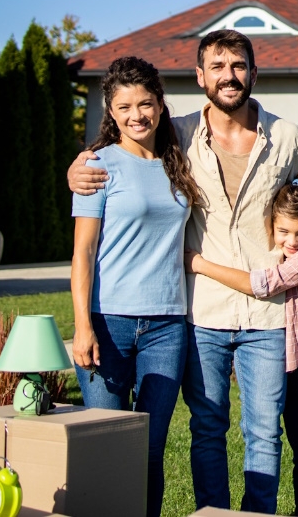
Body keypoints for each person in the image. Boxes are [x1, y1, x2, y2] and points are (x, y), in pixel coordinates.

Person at [67, 29, 298, 514]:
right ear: (199, 77)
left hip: (267, 316)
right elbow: (124, 148)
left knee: (263, 432)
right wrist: (77, 168)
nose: (228, 76)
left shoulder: (287, 137)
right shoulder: (177, 134)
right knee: (207, 430)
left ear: (253, 73)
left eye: (237, 66)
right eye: (216, 67)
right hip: (202, 314)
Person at [69, 56, 199, 517]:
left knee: (150, 449)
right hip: (108, 324)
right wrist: (83, 327)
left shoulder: (176, 160)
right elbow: (82, 253)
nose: (136, 115)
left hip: (167, 325)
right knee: (105, 446)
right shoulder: (97, 166)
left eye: (145, 104)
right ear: (111, 110)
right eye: (124, 106)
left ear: (161, 107)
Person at [187, 176, 298, 517]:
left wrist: (199, 264)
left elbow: (262, 285)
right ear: (273, 226)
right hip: (293, 366)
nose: (292, 241)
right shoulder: (289, 253)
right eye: (284, 232)